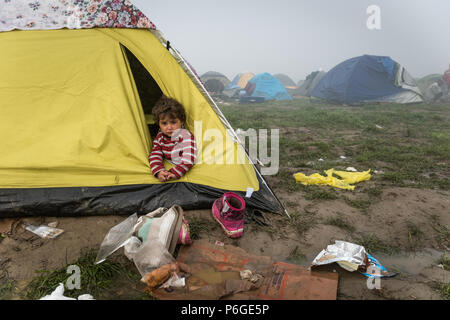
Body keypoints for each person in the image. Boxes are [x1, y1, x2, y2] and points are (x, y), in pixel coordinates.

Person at [149, 95, 197, 182]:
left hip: (182, 168)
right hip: (168, 165)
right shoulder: (160, 137)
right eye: (164, 123)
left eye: (173, 122)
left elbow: (189, 158)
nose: (169, 127)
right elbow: (155, 154)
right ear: (158, 124)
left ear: (181, 121)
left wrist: (175, 173)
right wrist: (159, 171)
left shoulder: (185, 135)